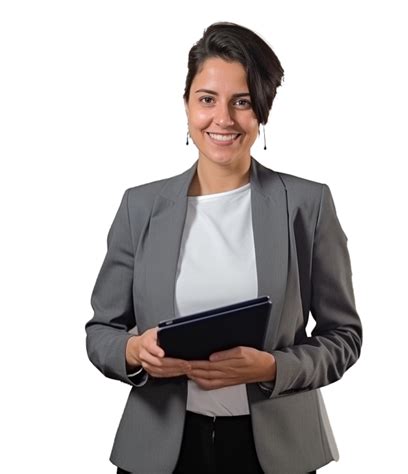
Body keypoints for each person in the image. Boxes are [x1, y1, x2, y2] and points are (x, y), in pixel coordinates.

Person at [86, 22, 362, 474]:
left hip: (276, 453)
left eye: (242, 102)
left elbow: (343, 336)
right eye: (207, 99)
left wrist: (272, 368)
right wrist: (133, 352)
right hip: (160, 451)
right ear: (187, 104)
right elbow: (102, 331)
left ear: (262, 111)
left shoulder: (307, 205)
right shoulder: (140, 207)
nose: (223, 119)